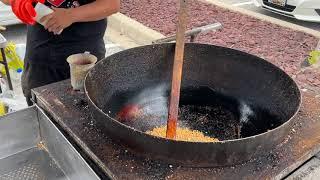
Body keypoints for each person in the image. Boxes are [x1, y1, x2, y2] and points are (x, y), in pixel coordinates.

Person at [0, 0, 120, 106]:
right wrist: (16, 1)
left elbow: (111, 4)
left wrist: (71, 15)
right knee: (42, 118)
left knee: (87, 114)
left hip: (85, 59)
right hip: (41, 60)